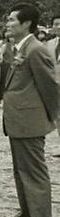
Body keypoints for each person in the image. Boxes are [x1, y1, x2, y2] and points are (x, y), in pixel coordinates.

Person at [1, 3, 58, 217]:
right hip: (18, 120)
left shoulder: (36, 50)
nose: (8, 23)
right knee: (20, 169)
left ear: (27, 24)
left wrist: (50, 116)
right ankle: (27, 213)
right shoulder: (20, 47)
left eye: (13, 20)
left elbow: (50, 88)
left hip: (29, 121)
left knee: (33, 171)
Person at [46, 15, 60, 157]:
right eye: (56, 24)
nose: (58, 27)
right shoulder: (49, 44)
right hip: (54, 84)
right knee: (58, 116)